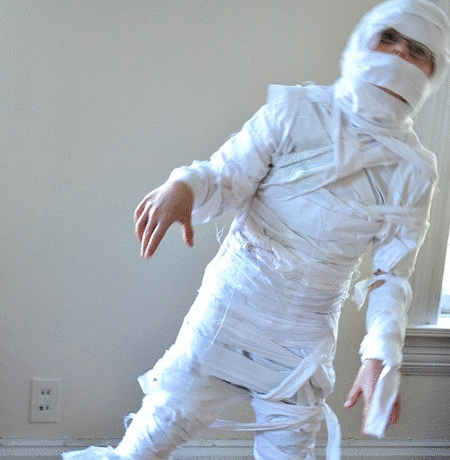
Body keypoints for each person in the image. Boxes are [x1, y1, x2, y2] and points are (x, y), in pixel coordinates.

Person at [63, 1, 450, 459]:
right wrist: (185, 185)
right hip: (230, 309)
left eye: (418, 50)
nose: (400, 53)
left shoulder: (413, 171)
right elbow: (226, 175)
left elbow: (391, 275)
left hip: (304, 339)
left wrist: (380, 353)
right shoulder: (296, 110)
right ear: (364, 39)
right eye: (389, 38)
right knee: (148, 440)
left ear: (433, 71)